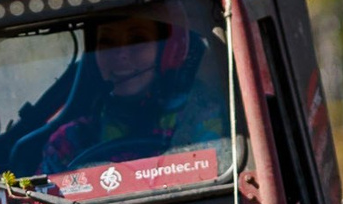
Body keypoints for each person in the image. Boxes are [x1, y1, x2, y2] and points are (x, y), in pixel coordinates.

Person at [31, 12, 215, 175]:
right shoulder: (71, 140)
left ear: (168, 52)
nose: (120, 55)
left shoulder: (199, 119)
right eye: (107, 42)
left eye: (137, 40)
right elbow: (43, 197)